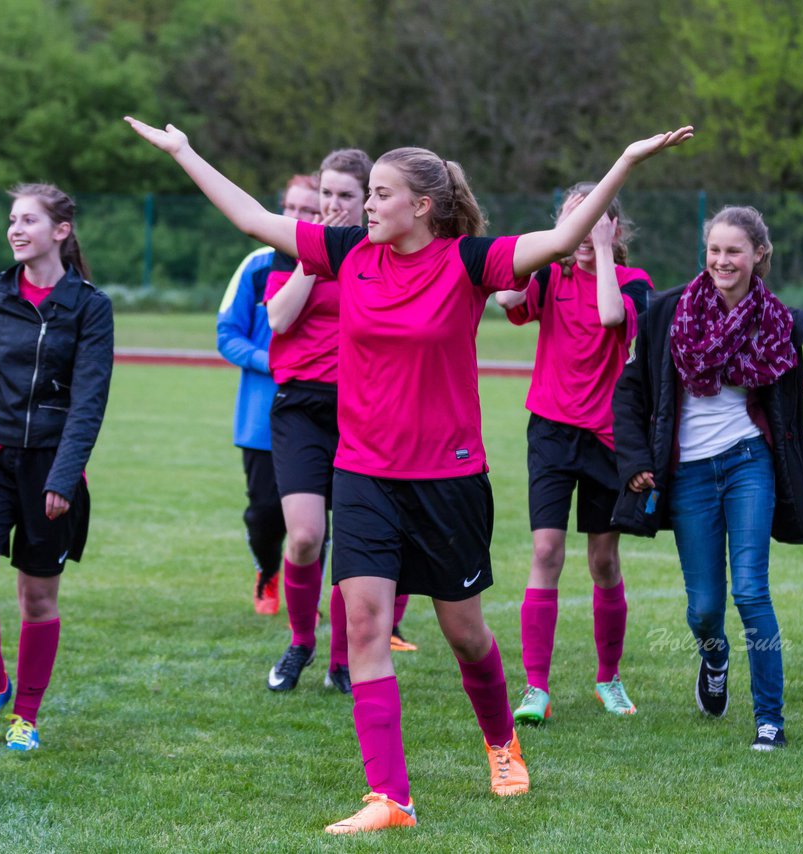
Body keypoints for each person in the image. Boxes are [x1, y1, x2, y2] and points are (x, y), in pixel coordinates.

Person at [126, 113, 691, 833]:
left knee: (465, 636)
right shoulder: (347, 253)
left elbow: (562, 239)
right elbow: (251, 218)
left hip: (447, 480)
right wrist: (184, 152)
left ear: (421, 205)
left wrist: (627, 158)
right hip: (361, 472)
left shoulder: (469, 262)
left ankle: (500, 742)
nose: (365, 205)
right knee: (363, 625)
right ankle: (390, 797)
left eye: (381, 194)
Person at [611, 205, 803, 751]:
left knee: (752, 592)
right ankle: (714, 659)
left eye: (733, 250)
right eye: (714, 250)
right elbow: (631, 392)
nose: (722, 260)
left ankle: (769, 721)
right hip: (687, 473)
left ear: (759, 254)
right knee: (704, 608)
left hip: (748, 464)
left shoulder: (781, 325)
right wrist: (637, 461)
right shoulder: (668, 312)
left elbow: (790, 417)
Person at [0, 183, 114, 752]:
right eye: (12, 221)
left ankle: (27, 714)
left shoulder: (90, 306)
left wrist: (64, 477)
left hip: (51, 465)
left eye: (29, 221)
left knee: (37, 599)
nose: (16, 230)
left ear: (60, 231)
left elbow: (90, 400)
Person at [495, 185, 650, 724]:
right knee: (546, 553)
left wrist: (601, 252)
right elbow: (505, 300)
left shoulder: (633, 282)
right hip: (552, 433)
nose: (582, 230)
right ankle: (536, 688)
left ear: (613, 228)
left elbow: (612, 318)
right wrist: (545, 252)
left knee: (603, 561)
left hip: (608, 439)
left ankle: (608, 677)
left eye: (594, 221)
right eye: (572, 220)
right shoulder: (550, 275)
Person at [262, 149, 370, 695]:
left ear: (368, 200)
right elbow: (278, 319)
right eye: (326, 194)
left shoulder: (380, 253)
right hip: (301, 406)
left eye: (345, 196)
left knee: (353, 544)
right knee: (306, 536)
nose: (331, 205)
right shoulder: (294, 250)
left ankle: (343, 660)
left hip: (364, 409)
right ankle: (302, 641)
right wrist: (313, 255)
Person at [217, 174, 319, 616]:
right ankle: (267, 572)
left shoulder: (338, 261)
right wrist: (272, 363)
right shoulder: (258, 264)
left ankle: (308, 596)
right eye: (293, 208)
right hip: (262, 419)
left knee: (319, 520)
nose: (300, 217)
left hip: (321, 413)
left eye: (310, 210)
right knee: (264, 513)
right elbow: (227, 335)